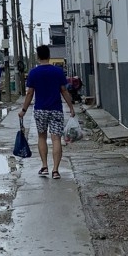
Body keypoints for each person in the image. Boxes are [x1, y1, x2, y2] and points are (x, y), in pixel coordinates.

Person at [18, 45, 75, 178]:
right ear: (49, 56)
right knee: (56, 139)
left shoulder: (33, 73)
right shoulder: (58, 71)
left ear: (38, 57)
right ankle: (55, 170)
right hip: (56, 110)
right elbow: (64, 90)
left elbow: (30, 93)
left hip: (40, 110)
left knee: (42, 137)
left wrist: (23, 110)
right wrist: (71, 107)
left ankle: (44, 167)